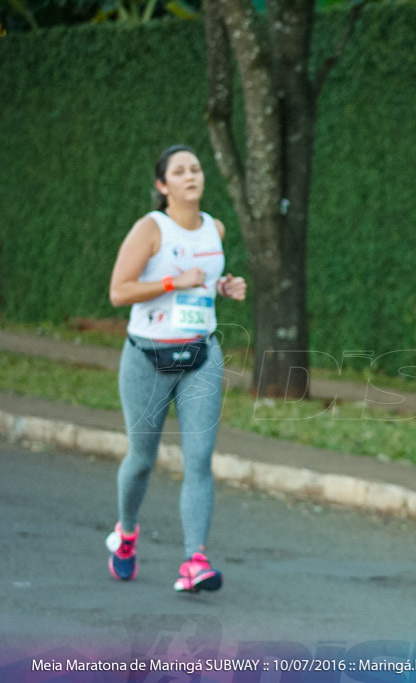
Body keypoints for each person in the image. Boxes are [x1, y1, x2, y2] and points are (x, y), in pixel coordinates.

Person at [106, 144, 247, 592]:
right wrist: (172, 281)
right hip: (147, 357)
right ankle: (126, 534)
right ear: (163, 185)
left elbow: (201, 288)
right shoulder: (151, 230)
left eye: (197, 169)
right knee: (143, 459)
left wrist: (223, 287)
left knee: (200, 459)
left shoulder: (215, 229)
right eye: (180, 171)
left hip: (200, 357)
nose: (192, 176)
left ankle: (194, 561)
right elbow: (119, 292)